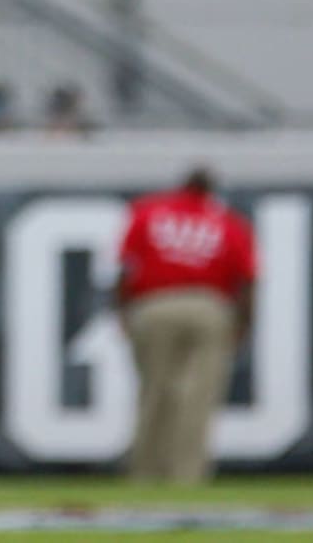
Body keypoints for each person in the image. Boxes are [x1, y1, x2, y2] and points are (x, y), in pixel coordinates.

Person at [115, 166, 257, 484]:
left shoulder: (148, 213)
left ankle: (145, 473)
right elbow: (246, 281)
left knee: (154, 391)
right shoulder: (228, 223)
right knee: (198, 397)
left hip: (155, 305)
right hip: (208, 306)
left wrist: (121, 312)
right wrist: (243, 324)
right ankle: (188, 475)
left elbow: (126, 269)